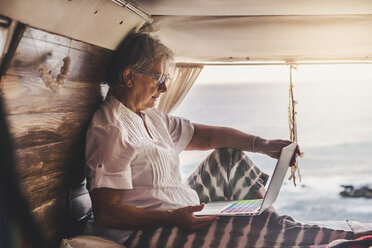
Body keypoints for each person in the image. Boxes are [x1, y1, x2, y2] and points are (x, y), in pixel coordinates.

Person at [85, 32, 366, 247]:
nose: (165, 87)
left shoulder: (151, 117)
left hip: (181, 210)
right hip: (145, 233)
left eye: (166, 78)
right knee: (258, 228)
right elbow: (107, 214)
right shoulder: (110, 129)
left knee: (228, 158)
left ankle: (274, 224)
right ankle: (343, 238)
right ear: (128, 77)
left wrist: (263, 144)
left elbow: (208, 136)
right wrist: (172, 217)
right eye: (158, 78)